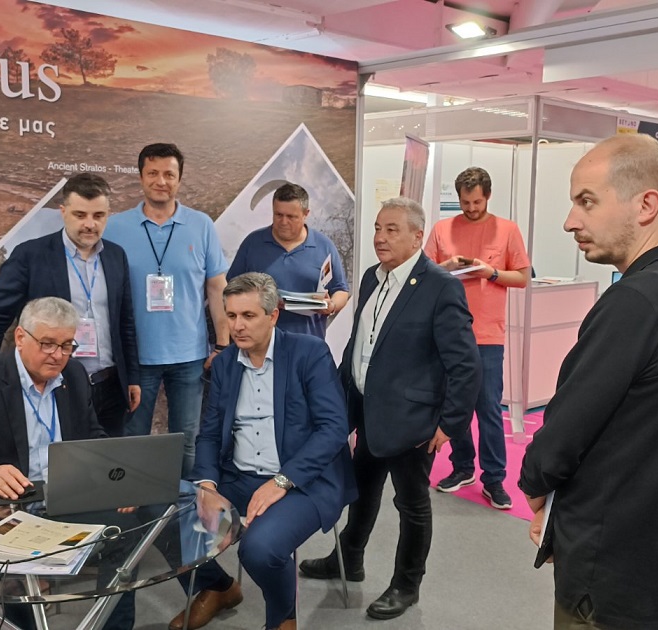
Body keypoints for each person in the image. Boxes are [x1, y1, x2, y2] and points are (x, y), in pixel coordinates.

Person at [518, 134, 658, 629]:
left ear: (646, 205)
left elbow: (567, 430)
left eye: (587, 202)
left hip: (613, 572)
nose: (570, 221)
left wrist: (535, 483)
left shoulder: (639, 300)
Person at [299, 197, 481, 621]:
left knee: (412, 505)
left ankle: (406, 585)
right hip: (367, 410)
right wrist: (339, 398)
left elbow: (465, 365)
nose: (380, 237)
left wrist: (450, 424)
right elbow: (361, 342)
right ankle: (349, 558)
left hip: (412, 422)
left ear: (418, 236)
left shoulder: (440, 287)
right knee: (361, 489)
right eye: (378, 228)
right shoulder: (372, 276)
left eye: (392, 230)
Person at [0, 297, 135, 630]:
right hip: (3, 505)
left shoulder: (74, 375)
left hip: (65, 495)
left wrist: (116, 478)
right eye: (48, 344)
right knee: (15, 579)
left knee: (126, 534)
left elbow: (91, 436)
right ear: (21, 338)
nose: (58, 355)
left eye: (67, 345)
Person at [169, 272, 355, 630]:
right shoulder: (225, 363)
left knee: (259, 549)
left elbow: (333, 429)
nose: (237, 326)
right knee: (163, 520)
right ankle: (218, 588)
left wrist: (282, 481)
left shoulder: (308, 353)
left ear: (273, 316)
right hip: (238, 475)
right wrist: (207, 484)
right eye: (231, 315)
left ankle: (283, 620)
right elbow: (210, 434)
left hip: (302, 482)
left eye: (248, 315)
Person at [0, 173, 141, 436]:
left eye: (98, 215)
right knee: (57, 459)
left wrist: (132, 377)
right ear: (63, 212)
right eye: (80, 215)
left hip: (110, 387)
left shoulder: (116, 256)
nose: (90, 224)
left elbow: (125, 322)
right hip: (54, 386)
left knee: (106, 460)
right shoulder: (31, 256)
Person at [103, 143, 230, 474]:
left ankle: (183, 501)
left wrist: (222, 343)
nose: (161, 181)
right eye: (153, 173)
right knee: (133, 440)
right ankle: (134, 503)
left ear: (179, 179)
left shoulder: (201, 225)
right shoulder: (115, 228)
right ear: (141, 177)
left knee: (186, 440)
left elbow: (217, 287)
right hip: (136, 358)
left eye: (169, 175)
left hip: (189, 356)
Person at [424, 166, 530, 510]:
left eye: (477, 202)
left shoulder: (507, 230)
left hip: (488, 334)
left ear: (488, 196)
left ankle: (494, 478)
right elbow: (422, 274)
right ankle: (463, 467)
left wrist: (491, 272)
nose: (471, 208)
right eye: (465, 202)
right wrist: (447, 267)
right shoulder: (442, 229)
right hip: (448, 332)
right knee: (454, 405)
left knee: (488, 408)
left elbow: (523, 277)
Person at [227, 182, 350, 338]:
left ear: (306, 214)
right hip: (259, 343)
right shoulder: (253, 243)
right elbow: (231, 289)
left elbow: (341, 290)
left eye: (291, 217)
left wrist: (331, 306)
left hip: (309, 342)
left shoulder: (324, 246)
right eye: (278, 215)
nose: (284, 222)